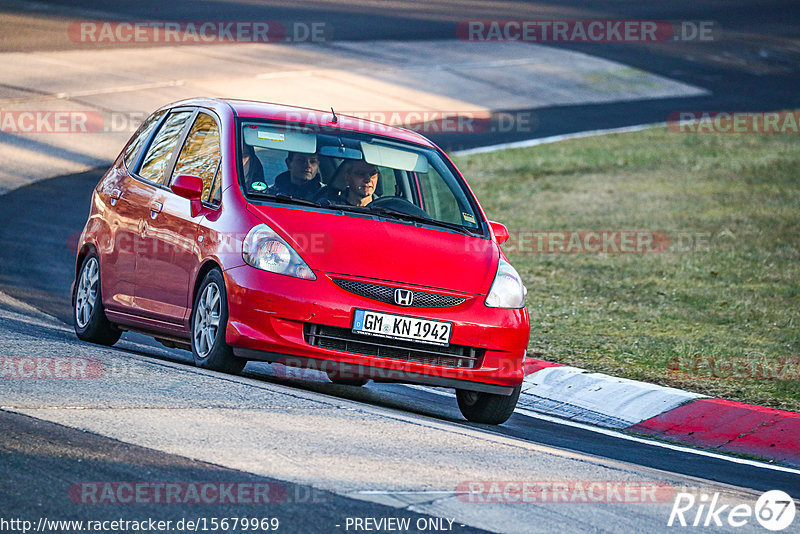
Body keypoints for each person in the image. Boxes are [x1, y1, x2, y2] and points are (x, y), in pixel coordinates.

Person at [315, 160, 380, 207]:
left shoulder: (385, 209)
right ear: (347, 177)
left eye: (372, 174)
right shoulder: (329, 206)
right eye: (361, 174)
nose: (368, 180)